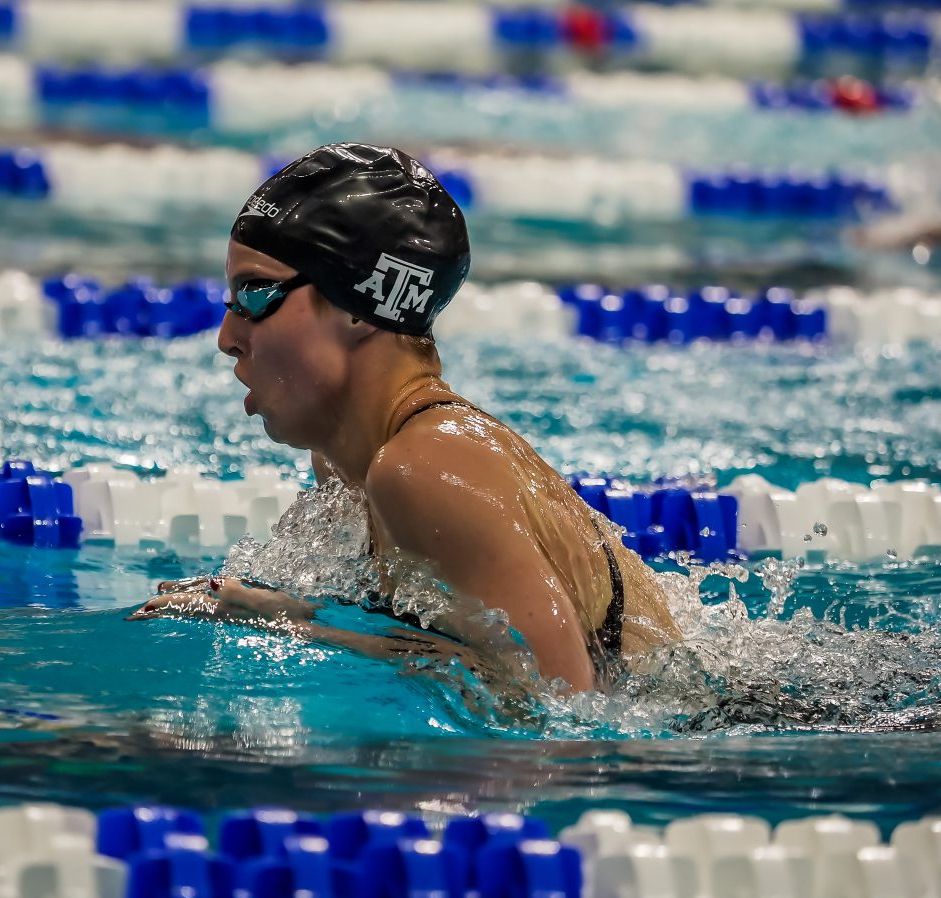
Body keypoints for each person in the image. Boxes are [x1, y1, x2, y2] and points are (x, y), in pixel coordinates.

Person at [132, 143, 679, 693]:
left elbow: (564, 709)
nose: (228, 339)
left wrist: (294, 625)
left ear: (357, 306)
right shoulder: (349, 464)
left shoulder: (425, 467)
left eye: (255, 295)